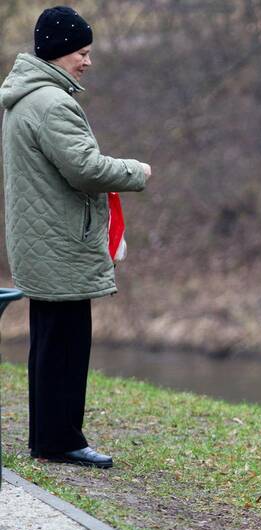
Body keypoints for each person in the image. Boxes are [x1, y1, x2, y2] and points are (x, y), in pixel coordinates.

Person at [1, 6, 151, 469]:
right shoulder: (52, 103)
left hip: (41, 240)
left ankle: (48, 438)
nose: (87, 61)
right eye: (82, 53)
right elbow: (84, 169)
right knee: (66, 346)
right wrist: (135, 171)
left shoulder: (25, 98)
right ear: (60, 51)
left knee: (49, 345)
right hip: (61, 242)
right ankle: (62, 441)